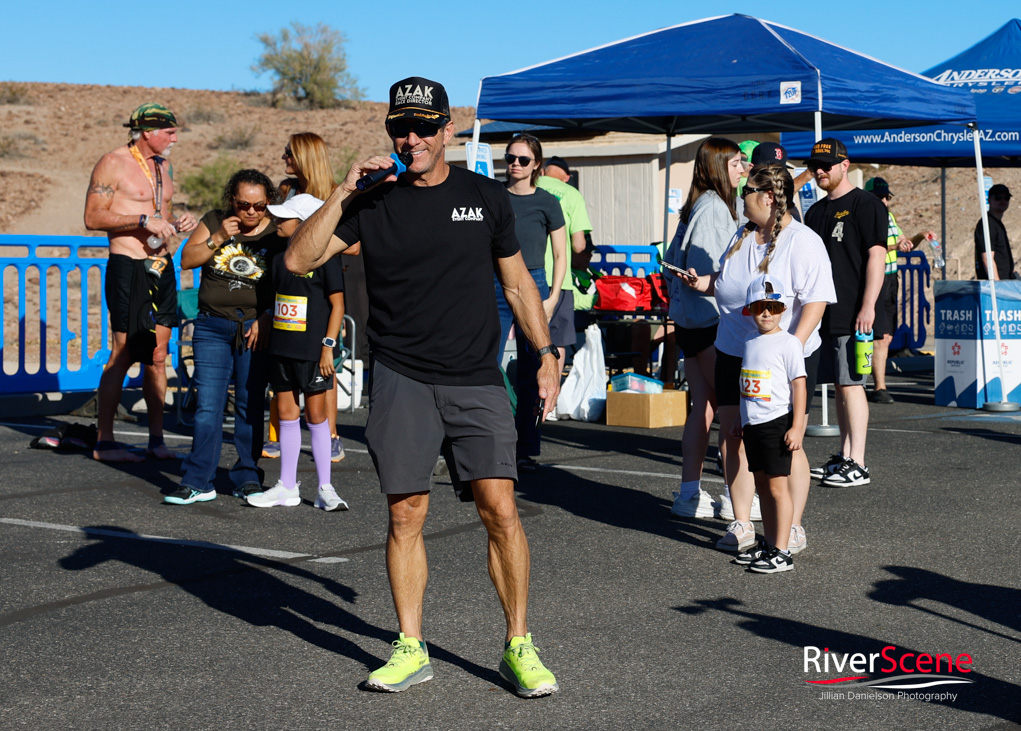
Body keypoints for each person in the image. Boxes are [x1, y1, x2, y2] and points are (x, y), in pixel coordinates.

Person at [286, 76, 561, 698]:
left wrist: (544, 353)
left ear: (447, 130)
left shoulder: (486, 197)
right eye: (398, 129)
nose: (410, 139)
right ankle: (411, 645)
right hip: (402, 377)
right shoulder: (372, 201)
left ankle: (519, 644)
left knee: (500, 508)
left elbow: (517, 283)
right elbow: (299, 260)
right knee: (406, 512)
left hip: (476, 376)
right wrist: (343, 191)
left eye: (422, 128)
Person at [684, 163, 834, 554]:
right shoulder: (744, 233)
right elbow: (732, 284)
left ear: (769, 197)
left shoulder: (802, 241)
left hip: (786, 358)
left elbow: (815, 301)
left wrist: (790, 349)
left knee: (787, 443)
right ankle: (742, 522)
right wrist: (704, 283)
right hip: (735, 349)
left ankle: (793, 527)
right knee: (734, 436)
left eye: (746, 193)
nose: (739, 199)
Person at [83, 102, 198, 462]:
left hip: (161, 265)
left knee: (158, 356)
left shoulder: (164, 166)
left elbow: (159, 212)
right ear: (148, 132)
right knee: (124, 351)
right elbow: (92, 216)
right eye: (170, 131)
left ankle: (156, 440)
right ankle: (105, 441)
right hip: (128, 265)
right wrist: (142, 219)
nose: (175, 138)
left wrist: (178, 221)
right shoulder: (113, 162)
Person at [163, 170, 286, 505]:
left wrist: (265, 317)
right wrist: (217, 237)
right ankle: (198, 480)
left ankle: (247, 476)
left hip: (254, 329)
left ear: (268, 203)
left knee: (249, 406)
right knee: (208, 407)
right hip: (212, 327)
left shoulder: (278, 231)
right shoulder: (215, 220)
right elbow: (187, 260)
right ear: (233, 200)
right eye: (244, 204)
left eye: (259, 206)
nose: (251, 212)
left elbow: (285, 282)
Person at [247, 194, 348, 512]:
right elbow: (273, 299)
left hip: (313, 352)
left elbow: (338, 306)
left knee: (317, 417)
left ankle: (325, 488)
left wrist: (327, 348)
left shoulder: (325, 257)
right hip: (281, 350)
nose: (277, 221)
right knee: (287, 416)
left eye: (285, 217)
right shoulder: (278, 258)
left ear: (305, 223)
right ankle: (286, 486)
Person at [664, 136, 743, 520]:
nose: (742, 170)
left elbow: (670, 262)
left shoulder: (696, 206)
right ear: (717, 168)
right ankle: (735, 499)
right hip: (711, 322)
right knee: (731, 413)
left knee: (704, 410)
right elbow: (712, 273)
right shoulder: (713, 208)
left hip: (691, 323)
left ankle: (689, 494)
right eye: (736, 164)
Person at [803, 139, 887, 488]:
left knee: (852, 385)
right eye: (815, 166)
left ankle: (859, 462)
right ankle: (844, 454)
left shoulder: (865, 204)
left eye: (826, 164)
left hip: (855, 312)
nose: (819, 170)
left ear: (844, 165)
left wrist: (867, 307)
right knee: (840, 385)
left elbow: (877, 256)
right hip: (825, 313)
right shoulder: (815, 212)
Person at [264, 132, 350, 463]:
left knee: (322, 371)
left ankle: (329, 436)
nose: (284, 156)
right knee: (284, 361)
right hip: (289, 285)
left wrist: (319, 240)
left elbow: (353, 243)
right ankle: (278, 435)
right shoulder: (287, 191)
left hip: (324, 289)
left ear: (305, 156)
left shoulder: (334, 194)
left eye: (290, 152)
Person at [731, 278, 805, 574]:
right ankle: (771, 543)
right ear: (750, 309)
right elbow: (745, 385)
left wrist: (797, 425)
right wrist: (739, 416)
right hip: (753, 425)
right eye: (761, 307)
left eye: (773, 307)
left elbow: (798, 385)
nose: (766, 313)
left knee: (777, 489)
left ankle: (783, 552)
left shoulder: (788, 343)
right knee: (762, 486)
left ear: (782, 310)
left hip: (776, 423)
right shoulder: (749, 342)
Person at [501, 134, 566, 471]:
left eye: (523, 159)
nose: (515, 163)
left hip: (536, 283)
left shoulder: (547, 201)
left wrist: (553, 295)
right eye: (510, 157)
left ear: (536, 164)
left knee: (533, 368)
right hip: (495, 282)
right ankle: (489, 441)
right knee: (486, 364)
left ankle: (525, 447)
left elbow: (560, 252)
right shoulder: (494, 196)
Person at [864, 177, 932, 404]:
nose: (884, 201)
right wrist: (895, 246)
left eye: (887, 197)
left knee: (887, 335)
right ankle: (878, 386)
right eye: (879, 196)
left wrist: (920, 236)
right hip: (875, 278)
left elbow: (906, 243)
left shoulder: (889, 216)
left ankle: (875, 384)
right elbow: (873, 247)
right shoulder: (867, 217)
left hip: (891, 278)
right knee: (879, 335)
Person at [536, 156, 593, 366]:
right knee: (557, 340)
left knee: (528, 337)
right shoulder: (571, 194)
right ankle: (552, 395)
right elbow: (579, 245)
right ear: (567, 178)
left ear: (543, 171)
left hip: (525, 275)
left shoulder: (529, 186)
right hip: (559, 280)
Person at [975, 184, 1016, 281]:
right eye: (998, 198)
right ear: (989, 200)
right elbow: (987, 258)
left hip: (1005, 282)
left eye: (1006, 198)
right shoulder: (987, 224)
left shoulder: (997, 223)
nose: (1003, 201)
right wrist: (997, 286)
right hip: (995, 286)